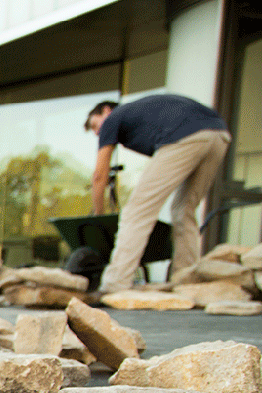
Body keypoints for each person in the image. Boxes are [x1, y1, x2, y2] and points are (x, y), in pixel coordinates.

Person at [84, 94, 231, 293]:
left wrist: (98, 213)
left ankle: (114, 284)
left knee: (137, 211)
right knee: (183, 210)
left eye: (95, 125)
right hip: (219, 134)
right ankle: (186, 282)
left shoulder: (113, 118)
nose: (96, 133)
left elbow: (99, 176)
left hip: (186, 135)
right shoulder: (143, 117)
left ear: (106, 111)